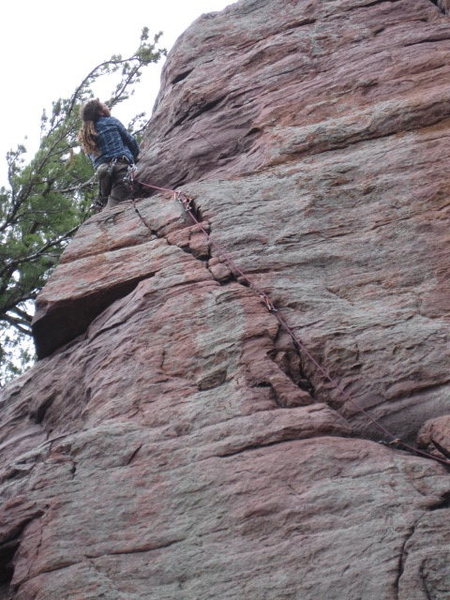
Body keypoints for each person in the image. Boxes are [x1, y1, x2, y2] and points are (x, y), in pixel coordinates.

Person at [78, 99, 139, 211]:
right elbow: (131, 141)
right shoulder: (111, 121)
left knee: (110, 202)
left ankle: (103, 194)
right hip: (122, 166)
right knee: (119, 207)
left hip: (104, 171)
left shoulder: (87, 134)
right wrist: (136, 157)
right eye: (104, 105)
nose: (107, 106)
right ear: (101, 112)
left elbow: (91, 157)